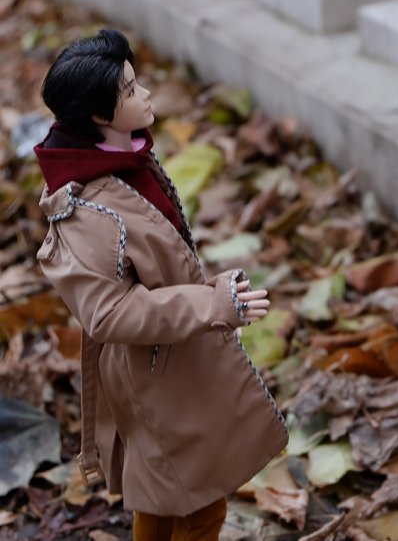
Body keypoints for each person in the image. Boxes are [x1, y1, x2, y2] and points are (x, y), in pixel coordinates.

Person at [33, 29, 289, 540]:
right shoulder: (86, 209)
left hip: (175, 356)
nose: (145, 95)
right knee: (197, 504)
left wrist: (208, 294)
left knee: (169, 495)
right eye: (129, 91)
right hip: (155, 370)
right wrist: (211, 302)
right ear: (100, 116)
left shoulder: (124, 162)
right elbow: (109, 313)